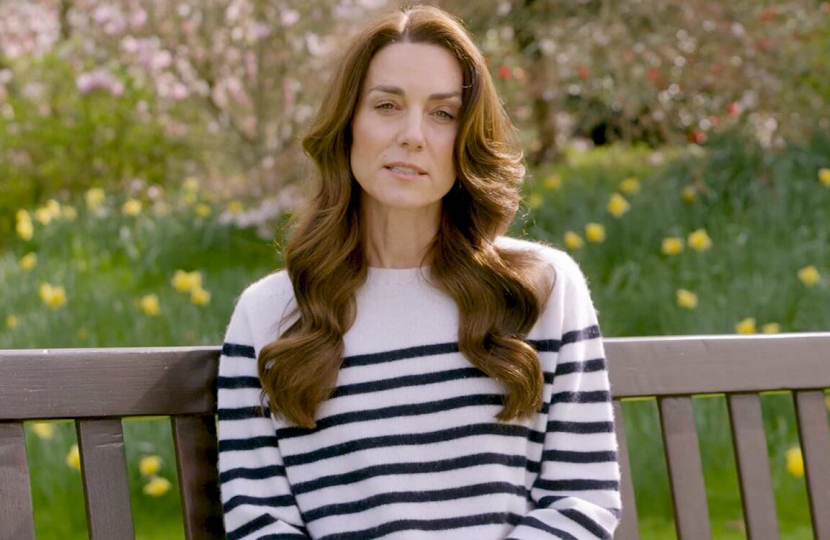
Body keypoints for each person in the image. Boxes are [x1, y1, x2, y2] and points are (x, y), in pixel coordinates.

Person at [217, 4, 621, 539]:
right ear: (348, 125)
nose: (412, 134)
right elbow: (259, 520)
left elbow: (581, 496)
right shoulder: (271, 314)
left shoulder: (541, 291)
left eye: (443, 113)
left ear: (467, 138)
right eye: (387, 105)